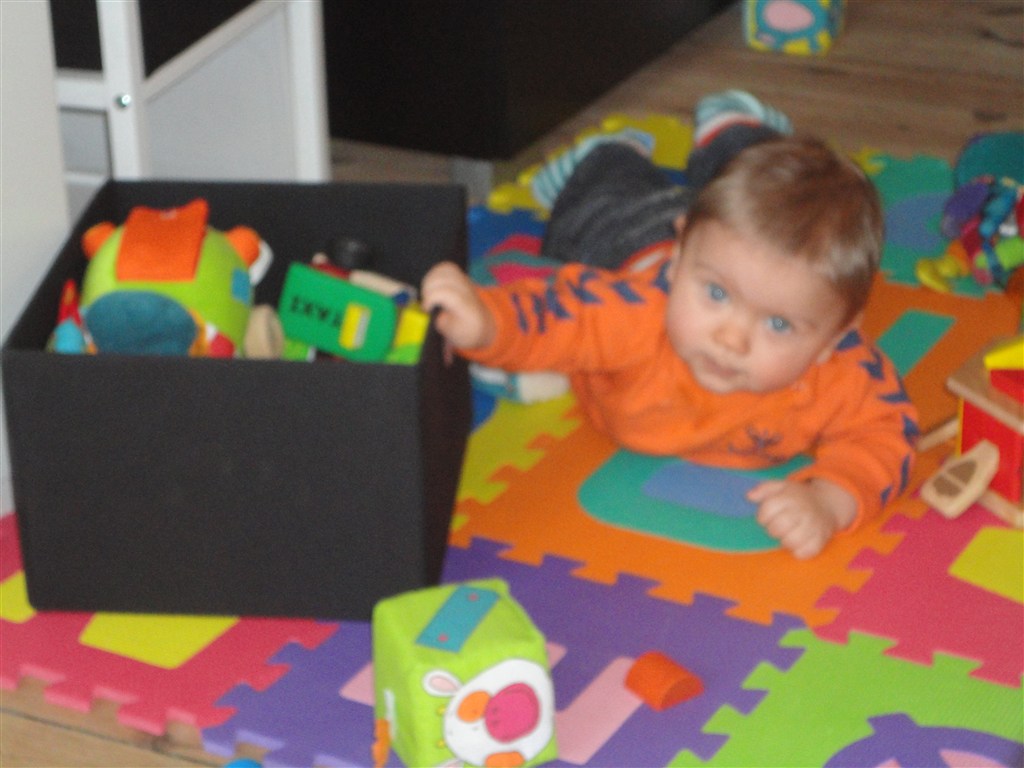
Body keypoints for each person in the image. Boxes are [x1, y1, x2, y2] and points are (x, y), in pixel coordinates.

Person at [422, 92, 918, 559]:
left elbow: (887, 434)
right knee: (595, 213)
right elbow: (557, 314)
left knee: (749, 202)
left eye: (778, 324)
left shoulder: (844, 372)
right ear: (680, 258)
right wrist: (487, 323)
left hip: (714, 244)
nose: (730, 339)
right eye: (717, 295)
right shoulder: (631, 316)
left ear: (834, 338)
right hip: (632, 243)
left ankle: (735, 135)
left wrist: (830, 501)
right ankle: (610, 156)